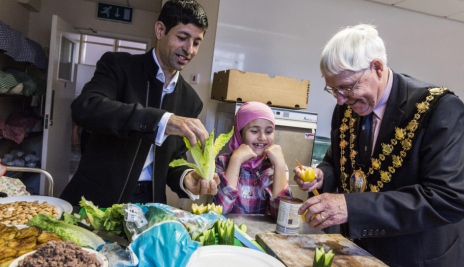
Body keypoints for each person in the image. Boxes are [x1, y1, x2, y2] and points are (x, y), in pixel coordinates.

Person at [294, 24, 464, 266]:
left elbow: (448, 198)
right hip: (359, 251)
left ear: (377, 67)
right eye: (333, 89)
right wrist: (321, 175)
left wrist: (352, 207)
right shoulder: (347, 107)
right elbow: (336, 162)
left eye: (347, 87)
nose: (340, 99)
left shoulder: (438, 108)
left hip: (419, 257)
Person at [60, 0, 219, 208]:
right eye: (182, 37)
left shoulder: (190, 101)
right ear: (160, 30)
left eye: (196, 43)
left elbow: (173, 158)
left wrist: (186, 177)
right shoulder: (118, 66)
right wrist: (162, 121)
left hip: (149, 203)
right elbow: (86, 108)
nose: (189, 49)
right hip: (96, 198)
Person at [213, 101, 292, 217]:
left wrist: (280, 165)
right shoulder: (222, 162)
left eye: (269, 131)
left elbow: (283, 216)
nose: (262, 137)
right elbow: (220, 210)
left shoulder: (276, 166)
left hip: (263, 234)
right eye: (254, 131)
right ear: (239, 133)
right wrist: (236, 161)